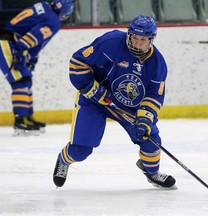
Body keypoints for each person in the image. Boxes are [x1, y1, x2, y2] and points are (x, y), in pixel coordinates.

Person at [53, 15, 176, 189]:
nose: (138, 43)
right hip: (94, 101)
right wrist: (90, 88)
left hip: (127, 107)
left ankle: (152, 173)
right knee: (80, 150)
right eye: (134, 38)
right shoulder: (110, 42)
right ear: (129, 35)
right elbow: (78, 62)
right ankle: (63, 160)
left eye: (143, 40)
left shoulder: (157, 63)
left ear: (151, 39)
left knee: (151, 140)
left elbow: (153, 96)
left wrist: (144, 118)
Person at [0, 0, 74, 136]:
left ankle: (27, 117)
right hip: (9, 43)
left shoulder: (44, 6)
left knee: (26, 80)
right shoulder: (53, 20)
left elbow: (30, 28)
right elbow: (36, 35)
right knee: (20, 82)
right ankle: (21, 120)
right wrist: (21, 51)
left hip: (12, 41)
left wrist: (30, 56)